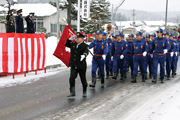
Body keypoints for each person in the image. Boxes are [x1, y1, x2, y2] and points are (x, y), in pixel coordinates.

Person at [65, 32, 89, 97]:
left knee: (83, 78)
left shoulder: (85, 45)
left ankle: (84, 90)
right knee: (72, 78)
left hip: (81, 65)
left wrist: (84, 55)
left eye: (78, 38)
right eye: (76, 38)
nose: (77, 39)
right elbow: (66, 44)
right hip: (73, 64)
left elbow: (86, 51)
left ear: (82, 39)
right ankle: (72, 92)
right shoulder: (73, 44)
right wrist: (69, 39)